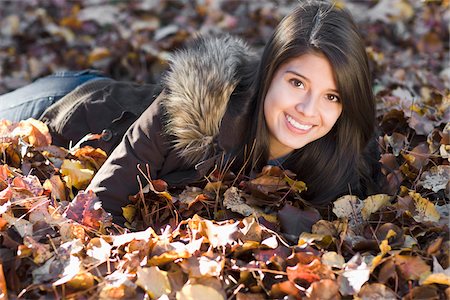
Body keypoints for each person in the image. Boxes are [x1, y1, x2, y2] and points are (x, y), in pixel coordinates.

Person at [0, 1, 383, 235]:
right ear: (270, 73)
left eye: (332, 96)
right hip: (73, 108)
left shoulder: (344, 154)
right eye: (297, 83)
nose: (308, 109)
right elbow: (97, 208)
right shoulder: (202, 105)